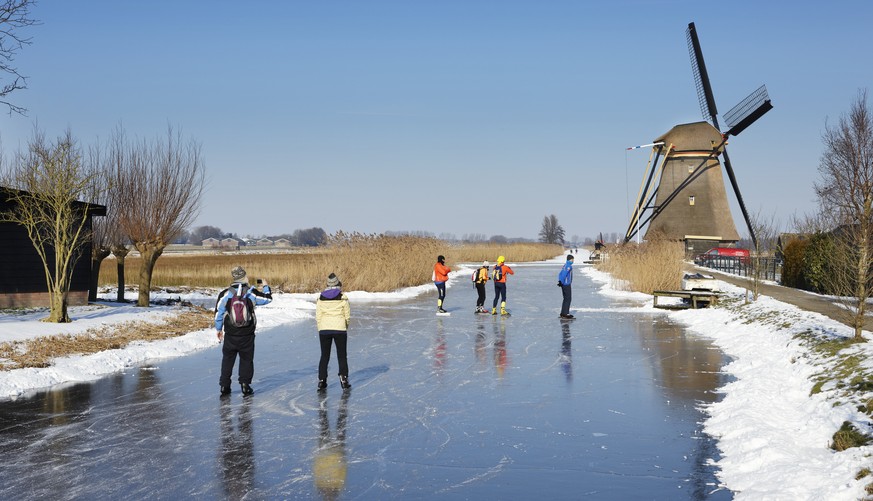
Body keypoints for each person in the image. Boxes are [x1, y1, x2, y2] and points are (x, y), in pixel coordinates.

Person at [215, 266, 272, 396]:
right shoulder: (251, 293)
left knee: (228, 359)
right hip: (247, 333)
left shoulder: (225, 294)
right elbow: (268, 299)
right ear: (244, 277)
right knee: (246, 359)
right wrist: (265, 287)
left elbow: (218, 313)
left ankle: (224, 386)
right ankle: (245, 385)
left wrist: (219, 329)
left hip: (231, 333)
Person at [316, 273, 351, 391]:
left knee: (324, 355)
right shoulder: (342, 297)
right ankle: (344, 379)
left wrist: (320, 327)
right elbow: (347, 315)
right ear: (337, 284)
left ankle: (322, 380)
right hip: (340, 329)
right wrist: (345, 326)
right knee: (342, 355)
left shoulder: (321, 298)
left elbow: (318, 316)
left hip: (324, 330)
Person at [558, 254, 575, 319]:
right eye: (573, 259)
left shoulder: (565, 265)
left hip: (564, 284)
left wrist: (560, 281)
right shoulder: (568, 266)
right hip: (566, 284)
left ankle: (563, 313)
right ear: (570, 259)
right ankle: (566, 313)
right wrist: (561, 282)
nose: (573, 260)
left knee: (565, 298)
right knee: (568, 298)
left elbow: (560, 274)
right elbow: (564, 274)